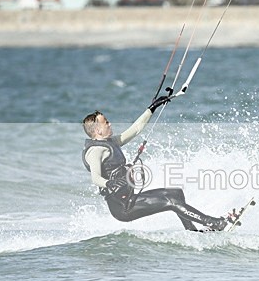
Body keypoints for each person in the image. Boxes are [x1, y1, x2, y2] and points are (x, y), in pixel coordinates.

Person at [82, 97, 234, 231]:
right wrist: (110, 183)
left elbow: (135, 129)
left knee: (176, 193)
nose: (109, 123)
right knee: (171, 202)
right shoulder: (95, 151)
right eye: (106, 122)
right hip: (122, 207)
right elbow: (95, 178)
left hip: (129, 198)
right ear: (97, 130)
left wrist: (151, 108)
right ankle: (215, 223)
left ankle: (192, 231)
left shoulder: (111, 142)